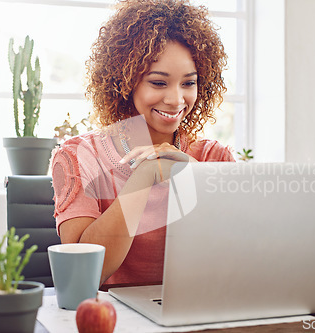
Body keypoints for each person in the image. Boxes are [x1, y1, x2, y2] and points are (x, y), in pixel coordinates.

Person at [51, 0, 235, 289]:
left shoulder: (213, 157)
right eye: (159, 83)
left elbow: (240, 254)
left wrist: (195, 174)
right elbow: (80, 275)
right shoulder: (79, 157)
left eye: (188, 83)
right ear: (125, 82)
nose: (176, 100)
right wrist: (146, 175)